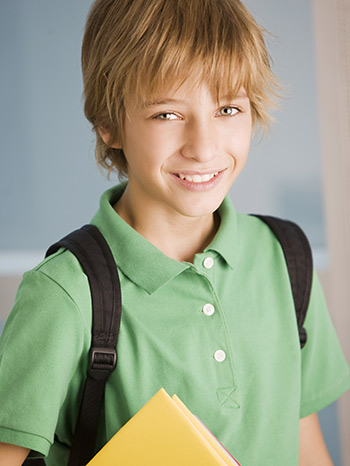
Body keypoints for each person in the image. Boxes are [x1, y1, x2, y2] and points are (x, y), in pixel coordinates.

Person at [0, 0, 348, 465]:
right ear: (108, 124)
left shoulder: (286, 259)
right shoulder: (65, 293)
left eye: (227, 108)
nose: (204, 147)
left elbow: (307, 448)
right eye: (167, 114)